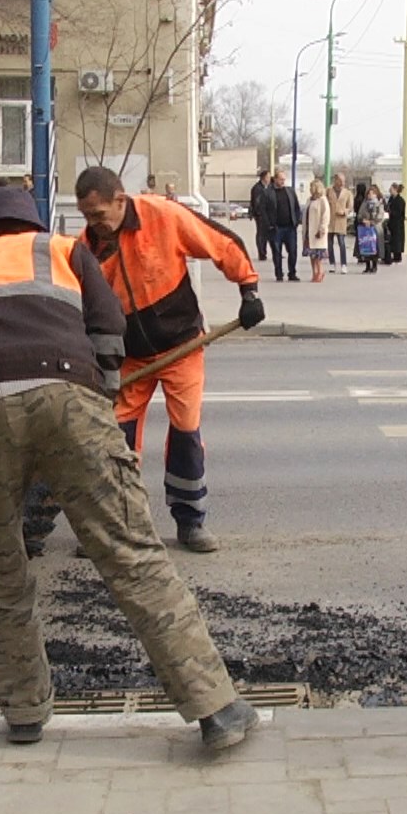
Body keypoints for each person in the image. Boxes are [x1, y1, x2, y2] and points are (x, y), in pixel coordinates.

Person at [0, 184, 262, 749]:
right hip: (69, 395)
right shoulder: (64, 250)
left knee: (4, 565)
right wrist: (104, 383)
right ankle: (216, 711)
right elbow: (107, 320)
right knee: (133, 553)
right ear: (33, 224)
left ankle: (24, 714)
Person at [73, 166, 265, 554]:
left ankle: (190, 521)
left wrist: (248, 290)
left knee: (185, 432)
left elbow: (221, 243)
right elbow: (82, 306)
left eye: (99, 215)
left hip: (181, 347)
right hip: (129, 359)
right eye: (87, 216)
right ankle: (116, 526)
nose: (94, 224)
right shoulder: (89, 247)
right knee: (117, 441)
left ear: (121, 201)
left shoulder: (164, 216)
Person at [263, 171, 302, 282]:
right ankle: (279, 273)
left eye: (284, 179)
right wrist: (269, 224)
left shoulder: (290, 191)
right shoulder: (268, 193)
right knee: (277, 252)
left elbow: (296, 207)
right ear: (274, 179)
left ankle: (292, 273)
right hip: (276, 228)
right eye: (280, 179)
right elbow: (263, 210)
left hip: (290, 227)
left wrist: (297, 220)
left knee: (293, 251)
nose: (283, 181)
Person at [304, 178, 331, 283]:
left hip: (317, 231)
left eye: (311, 186)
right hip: (308, 231)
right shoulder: (309, 200)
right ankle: (314, 272)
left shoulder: (323, 200)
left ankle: (320, 271)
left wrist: (322, 228)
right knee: (311, 254)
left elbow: (325, 216)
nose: (310, 188)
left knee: (318, 254)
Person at [327, 173, 354, 274]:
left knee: (341, 243)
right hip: (329, 220)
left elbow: (350, 206)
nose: (342, 183)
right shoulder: (328, 191)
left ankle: (344, 264)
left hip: (341, 220)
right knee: (329, 244)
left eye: (344, 181)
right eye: (340, 181)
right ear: (336, 180)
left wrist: (345, 211)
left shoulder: (347, 193)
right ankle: (332, 263)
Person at [356, 185, 384, 273]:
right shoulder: (364, 203)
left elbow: (380, 216)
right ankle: (367, 265)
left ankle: (374, 266)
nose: (370, 195)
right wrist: (363, 220)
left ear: (376, 194)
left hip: (375, 228)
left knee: (374, 248)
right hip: (365, 228)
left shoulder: (379, 204)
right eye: (369, 194)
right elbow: (359, 214)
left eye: (372, 193)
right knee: (366, 247)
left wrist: (371, 222)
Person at [249, 168, 271, 261]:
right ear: (263, 178)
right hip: (261, 215)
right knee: (261, 234)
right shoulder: (257, 188)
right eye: (268, 177)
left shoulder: (268, 187)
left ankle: (265, 251)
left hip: (267, 214)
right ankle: (261, 253)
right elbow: (256, 202)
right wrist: (258, 213)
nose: (269, 179)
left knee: (266, 234)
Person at [385, 183, 407, 265]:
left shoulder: (400, 200)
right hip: (391, 222)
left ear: (395, 190)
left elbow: (399, 213)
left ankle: (397, 256)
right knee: (392, 239)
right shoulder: (391, 199)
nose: (390, 191)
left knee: (397, 240)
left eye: (391, 189)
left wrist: (391, 211)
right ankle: (393, 255)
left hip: (398, 223)